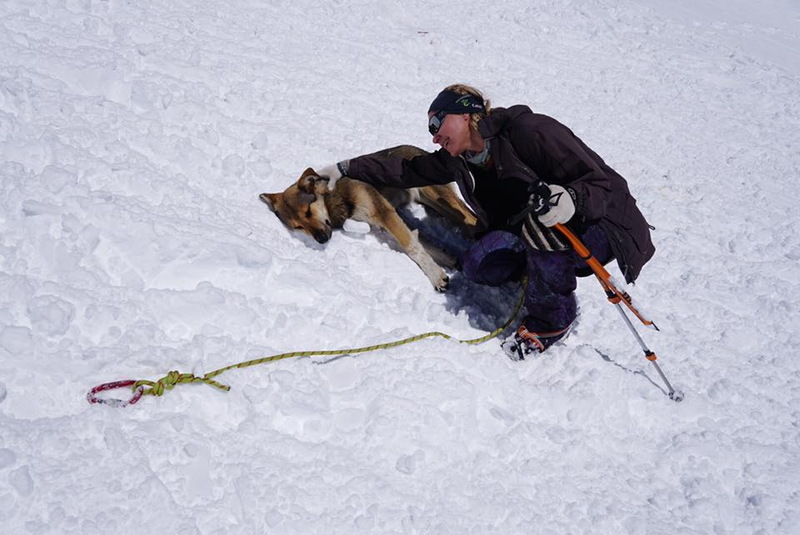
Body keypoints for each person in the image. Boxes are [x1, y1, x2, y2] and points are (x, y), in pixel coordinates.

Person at [318, 84, 655, 359]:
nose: (434, 136)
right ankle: (541, 269)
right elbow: (408, 170)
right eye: (430, 130)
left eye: (437, 124)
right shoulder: (461, 159)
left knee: (540, 227)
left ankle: (552, 321)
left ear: (467, 113)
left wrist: (570, 200)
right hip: (538, 228)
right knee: (481, 265)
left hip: (601, 226)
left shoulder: (530, 131)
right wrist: (345, 168)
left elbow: (603, 185)